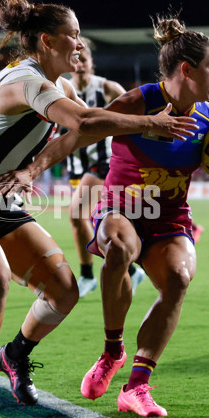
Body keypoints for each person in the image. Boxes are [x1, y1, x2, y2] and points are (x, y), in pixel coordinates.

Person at [0, 0, 200, 418]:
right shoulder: (24, 80)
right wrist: (152, 122)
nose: (79, 43)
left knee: (64, 290)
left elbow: (76, 134)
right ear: (46, 42)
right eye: (72, 35)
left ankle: (15, 355)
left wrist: (31, 171)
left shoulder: (63, 85)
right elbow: (85, 122)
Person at [0, 11, 209, 417]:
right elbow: (75, 137)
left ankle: (137, 386)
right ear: (187, 69)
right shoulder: (137, 102)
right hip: (121, 208)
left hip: (170, 217)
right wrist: (30, 170)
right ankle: (112, 350)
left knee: (178, 278)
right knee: (119, 247)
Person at [65, 37, 146, 298]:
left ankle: (87, 276)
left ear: (92, 63)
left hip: (103, 163)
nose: (80, 65)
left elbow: (133, 115)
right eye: (76, 60)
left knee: (76, 215)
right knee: (93, 222)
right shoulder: (61, 90)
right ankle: (131, 270)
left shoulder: (107, 88)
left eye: (84, 60)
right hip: (77, 165)